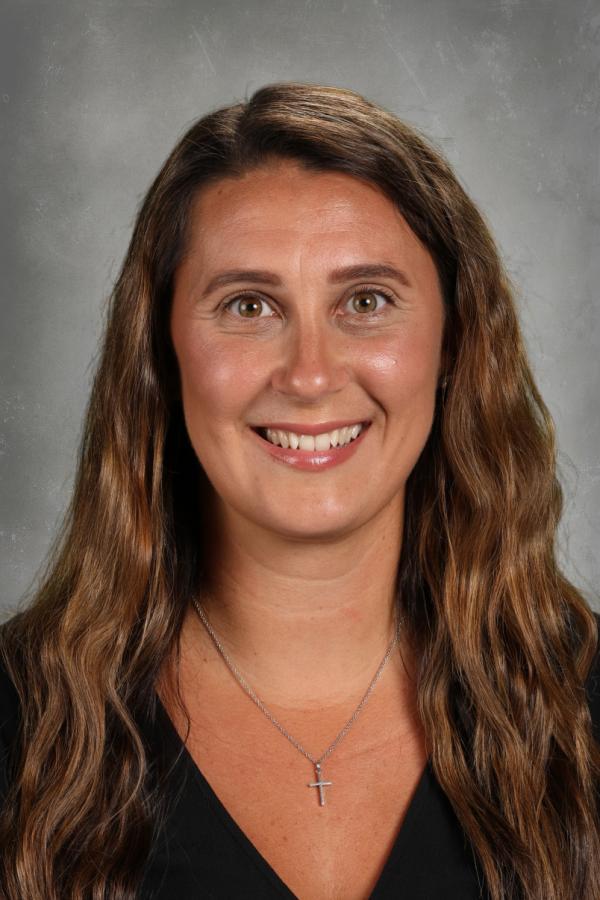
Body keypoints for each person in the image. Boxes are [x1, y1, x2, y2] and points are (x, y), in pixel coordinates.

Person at [0, 81, 599, 900]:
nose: (310, 376)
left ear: (454, 342)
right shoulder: (21, 728)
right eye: (249, 305)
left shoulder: (582, 708)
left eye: (366, 301)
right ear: (161, 352)